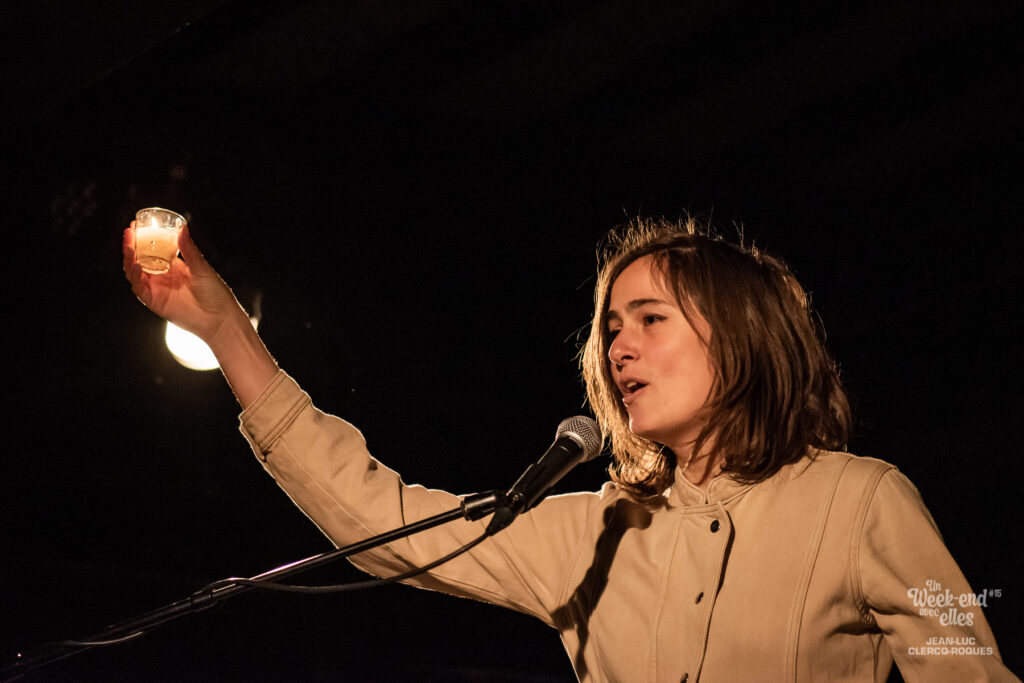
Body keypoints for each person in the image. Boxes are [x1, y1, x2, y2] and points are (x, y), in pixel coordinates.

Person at [122, 216, 1016, 682]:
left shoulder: (862, 500)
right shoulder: (593, 532)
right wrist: (229, 334)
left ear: (742, 336)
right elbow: (381, 520)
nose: (619, 347)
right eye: (611, 328)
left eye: (651, 319)